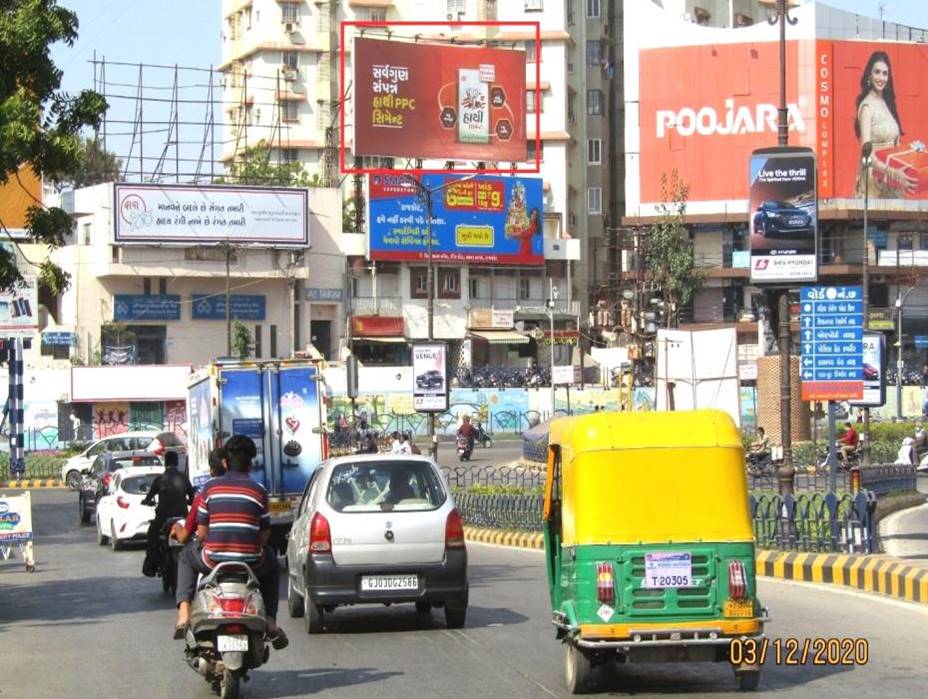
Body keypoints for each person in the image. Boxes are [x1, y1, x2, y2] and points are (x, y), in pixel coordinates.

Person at [173, 435, 288, 650]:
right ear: (251, 464)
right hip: (252, 563)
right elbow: (264, 536)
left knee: (185, 557)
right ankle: (271, 622)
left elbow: (202, 533)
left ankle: (183, 612)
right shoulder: (260, 491)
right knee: (272, 562)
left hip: (212, 560)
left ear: (225, 462)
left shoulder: (210, 488)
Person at [854, 50, 916, 198]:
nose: (881, 78)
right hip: (874, 182)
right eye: (877, 72)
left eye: (885, 73)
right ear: (869, 75)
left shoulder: (887, 104)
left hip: (892, 180)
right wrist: (893, 172)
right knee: (877, 221)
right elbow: (866, 154)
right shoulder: (867, 107)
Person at [142, 450, 194, 578]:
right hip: (182, 517)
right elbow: (192, 499)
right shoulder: (184, 478)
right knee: (192, 539)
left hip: (163, 518)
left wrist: (147, 501)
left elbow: (149, 497)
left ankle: (150, 566)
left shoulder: (160, 479)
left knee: (152, 536)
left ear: (166, 463)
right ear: (176, 463)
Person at [172, 447, 227, 545]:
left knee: (184, 557)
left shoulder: (203, 498)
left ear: (211, 471)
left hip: (212, 557)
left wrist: (177, 527)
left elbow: (185, 537)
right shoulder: (250, 493)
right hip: (250, 556)